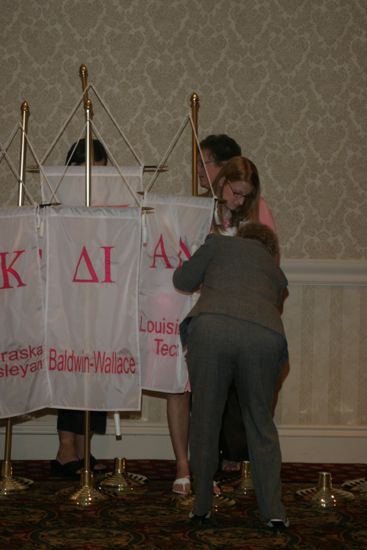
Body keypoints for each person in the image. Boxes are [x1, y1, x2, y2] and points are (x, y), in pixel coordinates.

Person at [173, 221, 289, 532]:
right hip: (263, 336)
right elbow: (271, 303)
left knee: (206, 420)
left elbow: (183, 279)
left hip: (211, 329)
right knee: (260, 422)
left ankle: (201, 508)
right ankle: (274, 513)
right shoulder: (275, 270)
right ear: (271, 251)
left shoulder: (218, 244)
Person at [51, 138, 108, 477]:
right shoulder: (59, 201)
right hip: (67, 298)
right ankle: (65, 448)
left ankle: (85, 447)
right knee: (70, 368)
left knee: (97, 369)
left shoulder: (108, 203)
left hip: (101, 297)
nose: (95, 180)